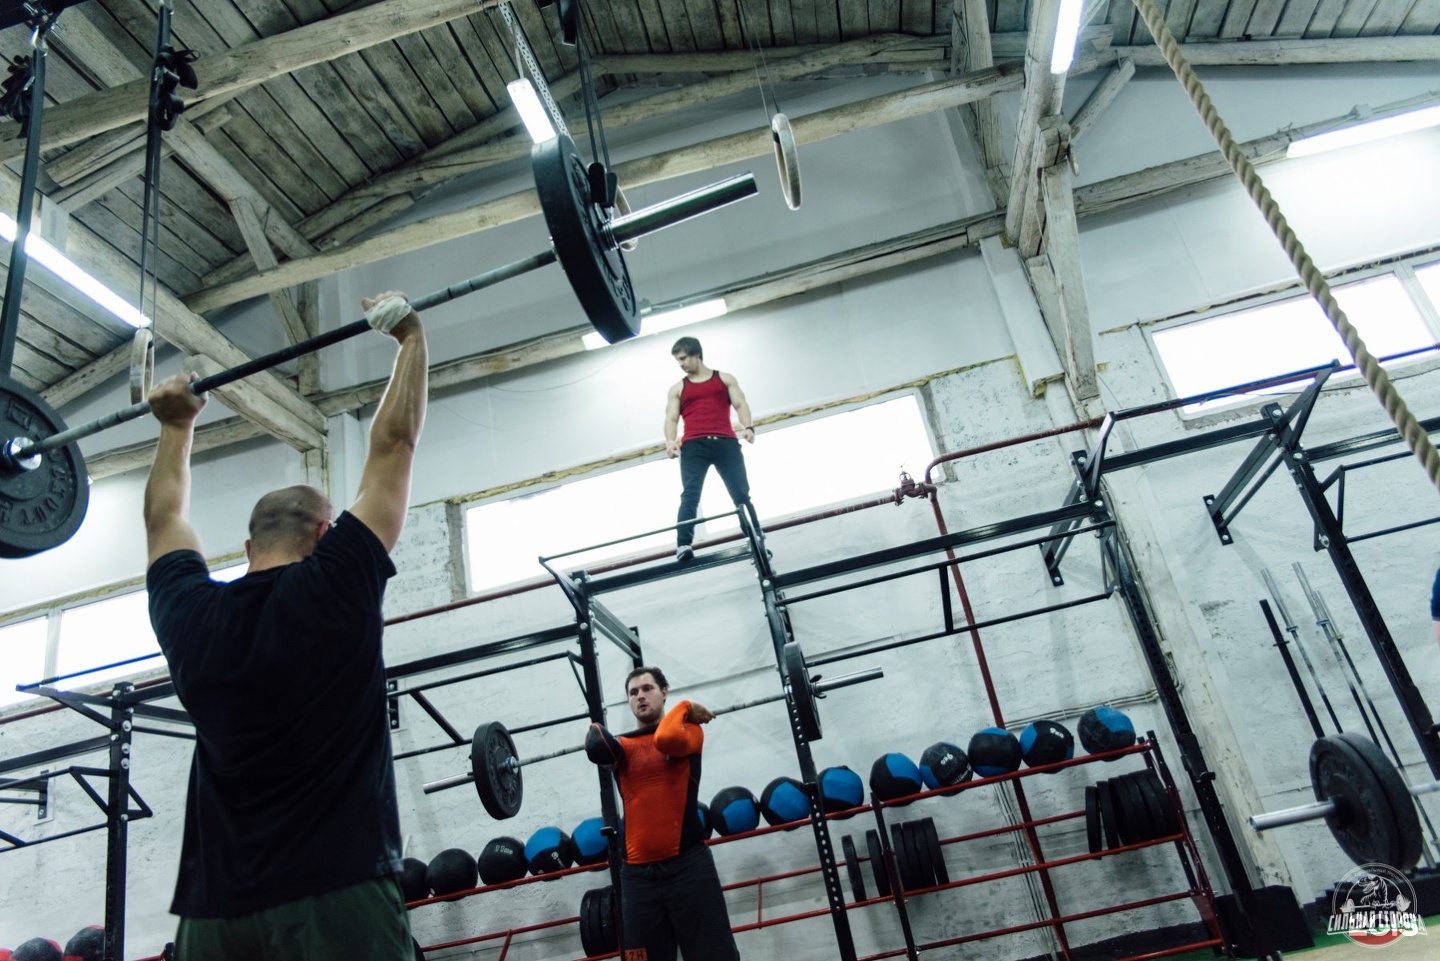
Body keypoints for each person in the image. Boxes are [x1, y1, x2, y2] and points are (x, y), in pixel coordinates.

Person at [143, 291, 427, 960]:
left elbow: (163, 519)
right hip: (336, 894)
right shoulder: (335, 583)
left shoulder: (190, 613)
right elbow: (395, 443)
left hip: (215, 916)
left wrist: (174, 426)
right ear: (326, 534)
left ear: (247, 547)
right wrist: (412, 338)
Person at [584, 667, 741, 961]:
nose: (640, 696)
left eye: (647, 689)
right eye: (633, 693)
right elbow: (595, 740)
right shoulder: (620, 747)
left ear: (664, 692)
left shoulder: (689, 732)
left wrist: (684, 707)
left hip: (688, 868)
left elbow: (665, 738)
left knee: (714, 956)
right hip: (637, 877)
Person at [663, 336, 755, 562]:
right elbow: (671, 417)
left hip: (725, 443)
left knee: (741, 493)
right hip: (694, 445)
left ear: (696, 354)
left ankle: (755, 535)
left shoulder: (724, 379)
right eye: (678, 361)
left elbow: (740, 404)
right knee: (690, 495)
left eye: (683, 358)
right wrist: (670, 442)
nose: (681, 364)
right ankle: (683, 545)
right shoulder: (678, 389)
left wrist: (749, 427)